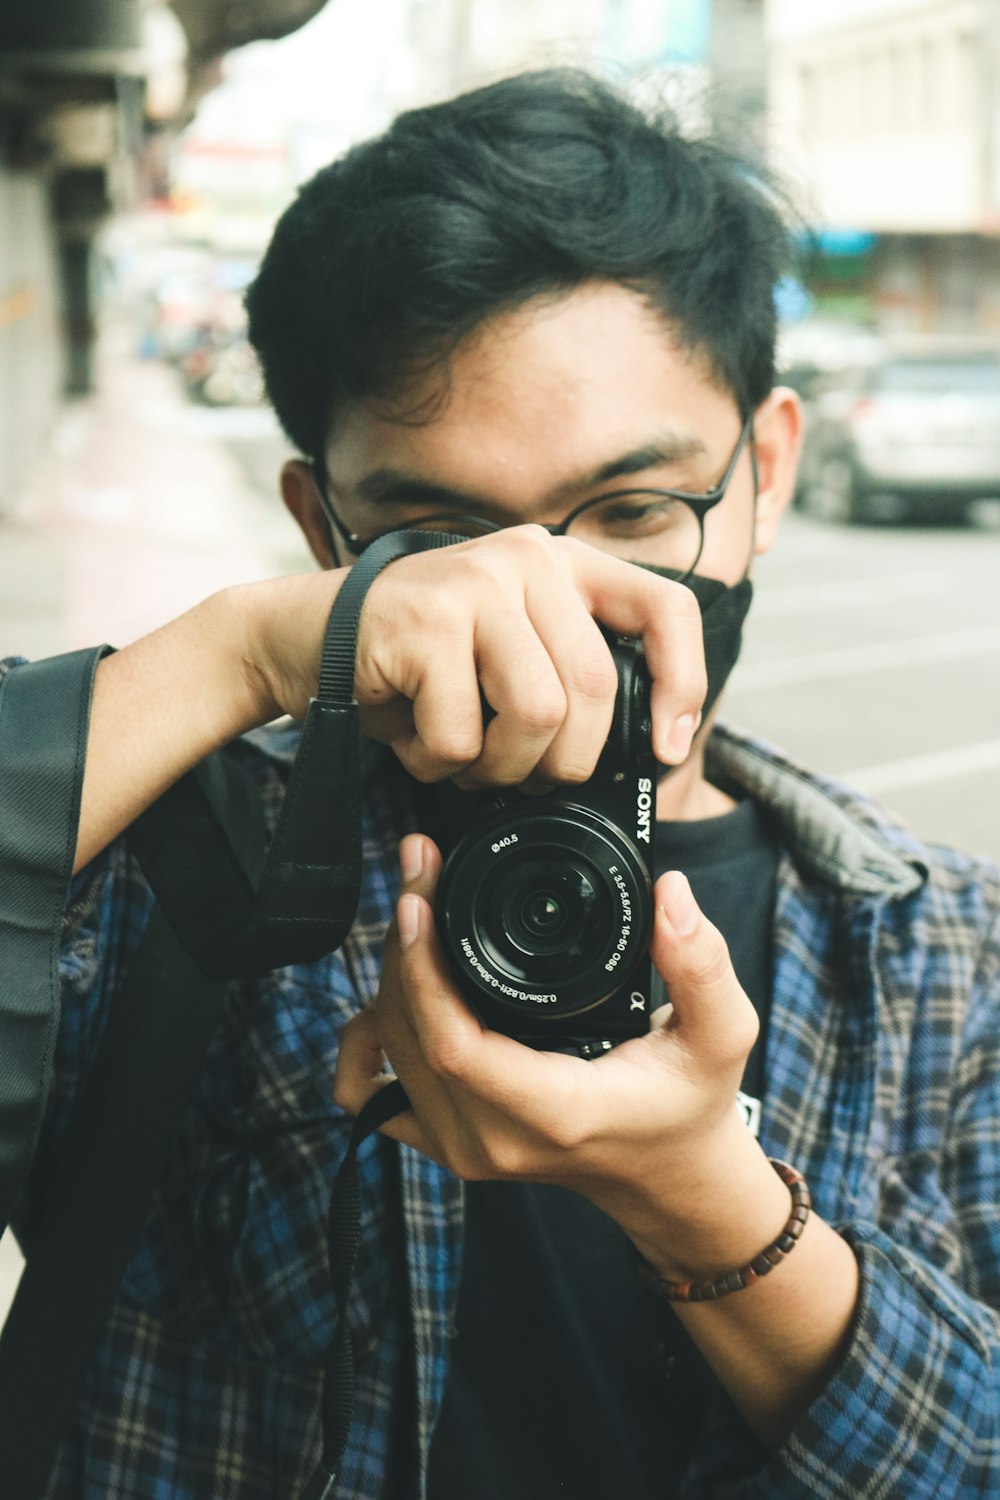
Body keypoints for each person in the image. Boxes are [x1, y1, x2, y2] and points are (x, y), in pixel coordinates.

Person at [1, 68, 998, 1499]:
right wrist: (236, 656)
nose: (538, 602)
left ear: (767, 470)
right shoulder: (176, 873)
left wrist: (712, 1209)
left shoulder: (955, 961)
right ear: (321, 528)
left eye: (637, 511)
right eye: (437, 538)